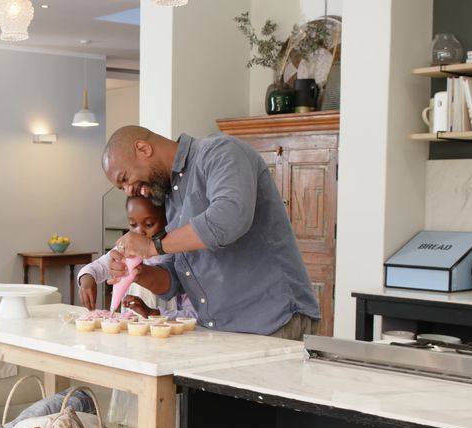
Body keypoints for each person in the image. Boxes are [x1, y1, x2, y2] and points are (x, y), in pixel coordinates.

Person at [101, 125, 319, 340]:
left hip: (275, 322)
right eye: (122, 188)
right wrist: (139, 273)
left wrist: (152, 246)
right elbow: (177, 279)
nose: (129, 190)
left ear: (143, 148)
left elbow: (229, 218)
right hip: (221, 329)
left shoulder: (220, 152)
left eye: (124, 178)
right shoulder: (170, 197)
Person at [78, 195, 196, 320]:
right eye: (133, 225)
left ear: (168, 221)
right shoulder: (124, 251)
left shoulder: (180, 258)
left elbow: (192, 315)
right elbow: (97, 267)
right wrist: (87, 278)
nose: (140, 232)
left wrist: (153, 313)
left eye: (149, 224)